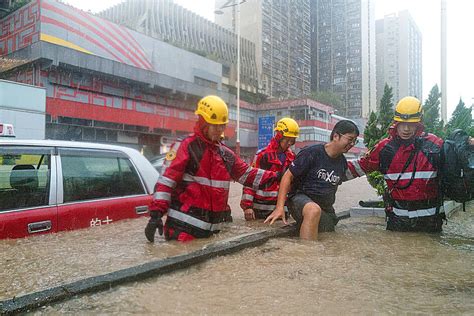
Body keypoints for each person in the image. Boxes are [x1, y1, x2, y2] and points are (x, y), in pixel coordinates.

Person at [145, 95, 280, 242]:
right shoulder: (186, 146)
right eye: (214, 125)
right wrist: (156, 214)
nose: (219, 130)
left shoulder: (225, 154)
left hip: (212, 234)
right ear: (203, 122)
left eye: (222, 125)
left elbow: (248, 175)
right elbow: (166, 182)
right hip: (183, 231)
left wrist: (279, 176)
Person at [345, 96, 446, 232]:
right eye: (402, 124)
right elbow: (359, 167)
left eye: (411, 124)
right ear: (395, 123)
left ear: (419, 124)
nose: (406, 129)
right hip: (398, 222)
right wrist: (325, 174)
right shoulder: (384, 148)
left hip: (430, 223)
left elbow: (457, 164)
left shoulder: (434, 144)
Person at [265, 120, 360, 240]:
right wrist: (279, 208)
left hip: (325, 209)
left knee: (329, 235)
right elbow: (287, 176)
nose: (352, 144)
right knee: (313, 210)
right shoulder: (312, 152)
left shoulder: (342, 163)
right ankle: (307, 254)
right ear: (336, 136)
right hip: (300, 200)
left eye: (354, 141)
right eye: (350, 139)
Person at [240, 118, 299, 220]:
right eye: (287, 139)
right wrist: (247, 207)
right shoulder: (262, 155)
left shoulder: (292, 157)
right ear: (279, 136)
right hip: (260, 210)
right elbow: (250, 180)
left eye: (292, 141)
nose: (289, 143)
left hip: (282, 210)